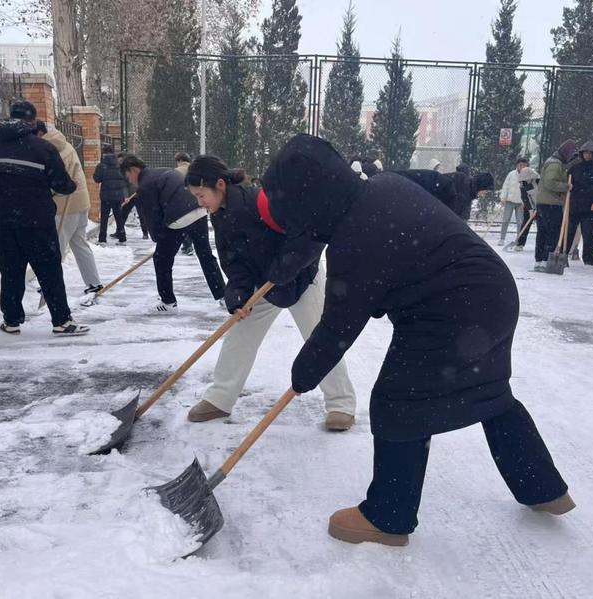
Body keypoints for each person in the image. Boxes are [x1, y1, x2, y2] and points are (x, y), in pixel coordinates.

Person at [262, 134, 572, 546]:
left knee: (398, 402)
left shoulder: (356, 239)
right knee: (490, 391)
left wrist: (302, 375)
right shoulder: (384, 186)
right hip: (492, 293)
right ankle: (544, 489)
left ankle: (388, 516)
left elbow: (338, 329)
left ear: (311, 203)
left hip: (450, 316)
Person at [184, 155, 357, 431]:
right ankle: (219, 398)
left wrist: (287, 268)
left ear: (219, 184)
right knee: (240, 333)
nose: (199, 202)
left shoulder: (262, 201)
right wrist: (238, 294)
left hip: (301, 278)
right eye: (195, 197)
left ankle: (341, 404)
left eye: (201, 195)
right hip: (267, 282)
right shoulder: (220, 215)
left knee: (319, 338)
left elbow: (307, 234)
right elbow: (233, 261)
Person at [0, 101, 89, 336]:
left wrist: (4, 203)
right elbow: (60, 183)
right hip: (38, 221)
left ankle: (11, 321)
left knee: (11, 271)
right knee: (49, 270)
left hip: (6, 222)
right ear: (31, 122)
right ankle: (61, 321)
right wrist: (71, 185)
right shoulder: (42, 148)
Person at [120, 154, 225, 313]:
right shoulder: (162, 171)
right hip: (198, 210)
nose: (129, 181)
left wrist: (159, 239)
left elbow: (152, 215)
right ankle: (223, 295)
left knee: (161, 259)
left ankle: (168, 302)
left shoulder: (145, 184)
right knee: (205, 255)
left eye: (127, 176)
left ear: (134, 170)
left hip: (179, 217)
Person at [36, 121, 104, 296]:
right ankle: (93, 282)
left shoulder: (49, 149)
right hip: (80, 203)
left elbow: (55, 180)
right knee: (79, 243)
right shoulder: (64, 144)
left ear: (39, 134)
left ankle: (49, 286)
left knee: (55, 249)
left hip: (65, 206)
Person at [535, 140, 578, 272]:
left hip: (545, 202)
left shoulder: (554, 162)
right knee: (551, 233)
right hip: (551, 203)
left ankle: (540, 261)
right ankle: (545, 260)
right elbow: (550, 182)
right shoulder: (555, 164)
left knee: (543, 232)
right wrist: (566, 187)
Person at [565, 141, 593, 267]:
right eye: (585, 153)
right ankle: (563, 256)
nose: (587, 155)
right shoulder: (575, 167)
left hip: (590, 208)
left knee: (588, 235)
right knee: (568, 233)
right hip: (575, 206)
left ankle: (589, 260)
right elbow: (569, 183)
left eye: (590, 153)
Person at [94, 144, 129, 245]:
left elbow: (97, 179)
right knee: (119, 217)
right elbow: (125, 179)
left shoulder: (102, 165)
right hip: (118, 196)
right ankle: (122, 238)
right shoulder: (119, 165)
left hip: (106, 196)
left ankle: (102, 239)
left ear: (104, 153)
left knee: (104, 218)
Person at [499, 157, 530, 245]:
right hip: (509, 200)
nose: (522, 167)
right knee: (506, 220)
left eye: (525, 165)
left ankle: (518, 239)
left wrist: (527, 202)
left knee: (520, 222)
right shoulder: (511, 174)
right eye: (521, 165)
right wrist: (503, 198)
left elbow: (529, 191)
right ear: (517, 165)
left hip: (521, 203)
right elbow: (505, 186)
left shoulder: (528, 176)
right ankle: (502, 238)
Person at [515, 166, 540, 251]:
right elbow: (524, 198)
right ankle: (520, 243)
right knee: (525, 224)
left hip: (541, 205)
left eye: (527, 179)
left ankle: (542, 246)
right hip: (529, 206)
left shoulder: (539, 181)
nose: (526, 180)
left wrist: (539, 206)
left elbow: (543, 194)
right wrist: (530, 209)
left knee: (542, 226)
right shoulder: (523, 185)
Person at [175, 152, 195, 256]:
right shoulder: (194, 169)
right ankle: (188, 245)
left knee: (184, 223)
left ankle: (187, 245)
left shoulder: (176, 172)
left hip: (181, 200)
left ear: (180, 161)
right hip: (196, 199)